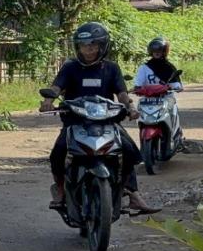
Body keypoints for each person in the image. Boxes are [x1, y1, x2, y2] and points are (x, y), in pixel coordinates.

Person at [39, 22, 160, 215]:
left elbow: (121, 93)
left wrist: (130, 107)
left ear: (102, 46)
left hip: (106, 120)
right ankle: (60, 189)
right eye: (84, 45)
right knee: (58, 153)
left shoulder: (111, 68)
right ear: (78, 46)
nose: (89, 49)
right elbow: (56, 87)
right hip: (75, 120)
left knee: (128, 149)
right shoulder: (70, 67)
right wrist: (48, 100)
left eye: (93, 45)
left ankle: (133, 194)